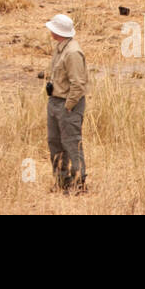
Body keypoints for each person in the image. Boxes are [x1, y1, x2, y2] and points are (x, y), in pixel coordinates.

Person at [44, 13, 87, 193]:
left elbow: (78, 84)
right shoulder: (61, 48)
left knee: (71, 143)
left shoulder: (73, 52)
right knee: (55, 142)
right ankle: (62, 182)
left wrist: (69, 106)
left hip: (67, 104)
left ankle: (79, 183)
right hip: (55, 101)